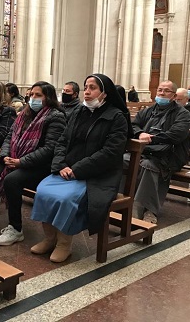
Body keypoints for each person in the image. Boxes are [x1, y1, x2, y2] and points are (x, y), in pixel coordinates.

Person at [29, 74, 130, 263]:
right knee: (42, 190)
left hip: (97, 175)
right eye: (86, 87)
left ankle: (64, 245)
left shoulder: (116, 117)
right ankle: (50, 239)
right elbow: (62, 141)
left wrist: (76, 169)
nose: (88, 92)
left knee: (66, 198)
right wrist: (61, 165)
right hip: (67, 170)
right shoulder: (78, 113)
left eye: (93, 88)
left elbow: (109, 153)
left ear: (105, 94)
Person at [0, 81, 66, 245]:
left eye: (38, 95)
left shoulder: (55, 117)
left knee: (12, 180)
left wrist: (21, 162)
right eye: (31, 95)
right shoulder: (25, 114)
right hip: (15, 159)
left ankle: (15, 229)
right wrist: (4, 157)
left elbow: (50, 149)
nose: (33, 98)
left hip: (40, 165)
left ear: (49, 97)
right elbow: (9, 137)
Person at [131, 80, 190, 224]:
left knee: (148, 165)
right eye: (159, 90)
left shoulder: (182, 113)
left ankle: (148, 210)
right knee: (121, 160)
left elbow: (177, 134)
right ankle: (121, 201)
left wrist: (151, 139)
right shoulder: (148, 110)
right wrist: (139, 134)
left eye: (166, 91)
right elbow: (133, 125)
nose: (161, 93)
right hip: (145, 151)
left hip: (169, 155)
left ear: (174, 95)